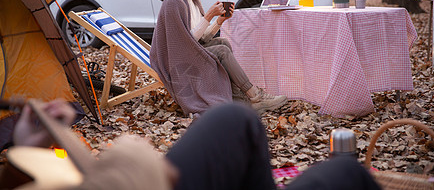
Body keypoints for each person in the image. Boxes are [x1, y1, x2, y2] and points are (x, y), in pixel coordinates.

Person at [8, 99, 396, 190]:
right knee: (346, 170)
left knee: (234, 117)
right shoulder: (175, 6)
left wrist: (23, 150)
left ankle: (249, 93)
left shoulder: (189, 2)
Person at [150, 0, 287, 116]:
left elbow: (203, 38)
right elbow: (184, 43)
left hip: (186, 52)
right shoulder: (173, 2)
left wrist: (219, 20)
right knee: (221, 51)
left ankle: (241, 100)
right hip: (175, 60)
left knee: (222, 42)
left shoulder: (193, 0)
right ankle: (255, 96)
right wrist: (208, 16)